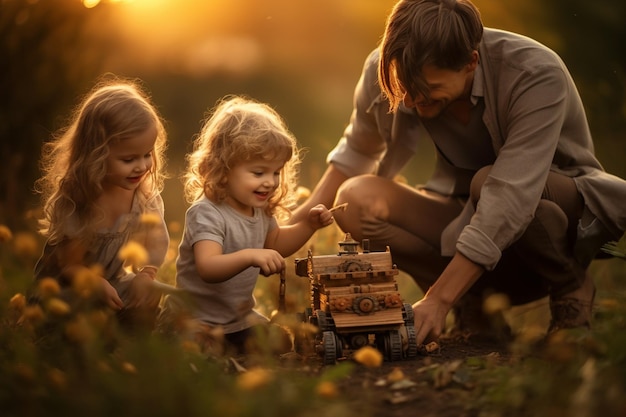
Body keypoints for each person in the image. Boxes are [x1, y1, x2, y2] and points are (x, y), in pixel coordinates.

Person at [292, 0, 626, 345]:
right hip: (467, 214)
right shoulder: (389, 68)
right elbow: (358, 151)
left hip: (549, 221)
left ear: (471, 61)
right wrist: (293, 228)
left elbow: (509, 196)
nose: (408, 101)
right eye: (404, 88)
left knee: (489, 183)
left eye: (428, 90)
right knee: (355, 198)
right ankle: (474, 303)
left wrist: (438, 299)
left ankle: (570, 287)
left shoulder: (534, 71)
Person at [157, 96, 334, 355]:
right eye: (259, 172)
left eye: (276, 172)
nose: (270, 182)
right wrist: (251, 256)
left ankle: (229, 346)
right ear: (224, 169)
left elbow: (275, 244)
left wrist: (308, 224)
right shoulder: (206, 212)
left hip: (236, 320)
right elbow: (208, 267)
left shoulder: (259, 210)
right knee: (196, 348)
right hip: (194, 320)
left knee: (279, 341)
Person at [33, 78, 170, 331]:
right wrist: (94, 284)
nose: (141, 166)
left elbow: (155, 244)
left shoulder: (144, 198)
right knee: (67, 309)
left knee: (152, 292)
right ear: (96, 153)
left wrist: (146, 275)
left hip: (112, 283)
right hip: (69, 286)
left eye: (147, 154)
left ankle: (127, 331)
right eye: (129, 159)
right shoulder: (79, 198)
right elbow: (68, 266)